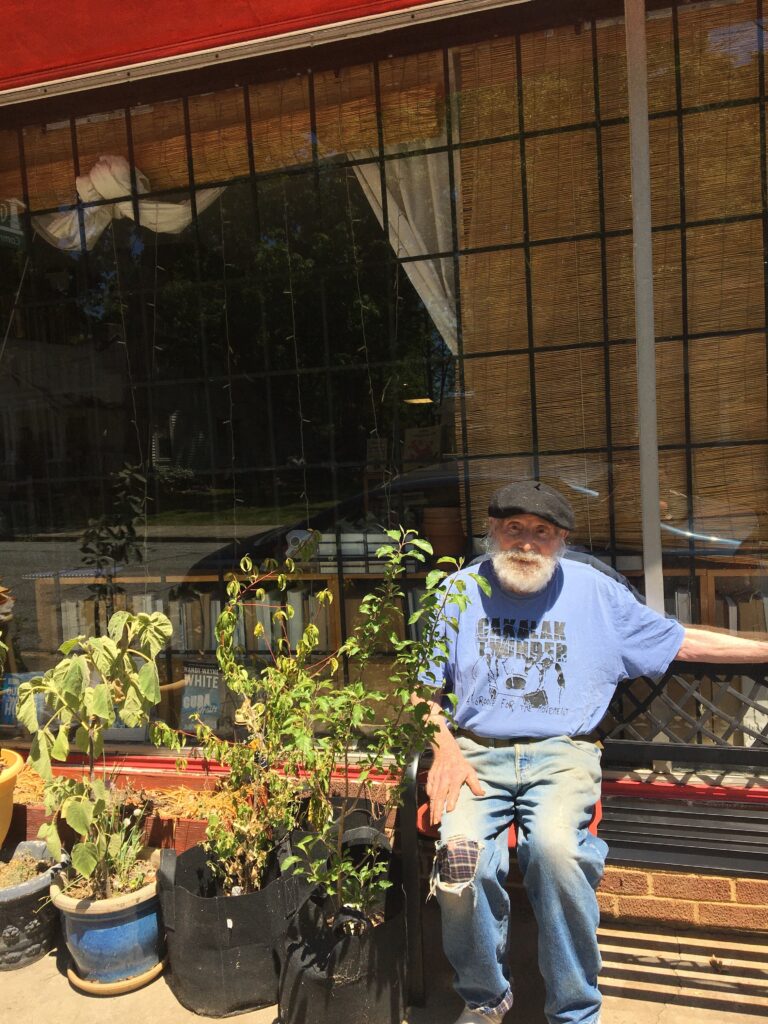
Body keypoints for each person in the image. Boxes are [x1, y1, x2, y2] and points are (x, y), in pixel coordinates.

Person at [417, 480, 768, 1024]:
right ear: (492, 532)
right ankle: (485, 998)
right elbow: (422, 693)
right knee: (460, 865)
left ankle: (575, 1011)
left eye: (541, 532)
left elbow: (680, 640)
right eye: (514, 529)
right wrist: (445, 750)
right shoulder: (457, 592)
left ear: (561, 540)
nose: (526, 543)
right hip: (475, 755)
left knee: (558, 854)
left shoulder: (595, 594)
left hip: (563, 754)